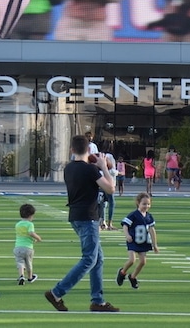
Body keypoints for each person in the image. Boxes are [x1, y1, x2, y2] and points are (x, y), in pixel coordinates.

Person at [44, 134, 118, 313]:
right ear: (89, 150)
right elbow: (111, 188)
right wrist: (106, 168)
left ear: (72, 150)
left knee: (98, 259)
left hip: (75, 216)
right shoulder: (91, 170)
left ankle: (97, 301)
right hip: (88, 217)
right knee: (89, 259)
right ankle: (57, 292)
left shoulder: (68, 169)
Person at [116, 192, 159, 290]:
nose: (146, 206)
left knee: (143, 262)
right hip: (132, 240)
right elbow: (125, 225)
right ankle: (122, 272)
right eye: (144, 204)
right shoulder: (133, 215)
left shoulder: (149, 216)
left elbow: (152, 230)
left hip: (143, 242)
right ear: (138, 203)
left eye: (148, 204)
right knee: (132, 260)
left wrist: (155, 244)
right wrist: (127, 235)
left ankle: (133, 277)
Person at [14, 203, 42, 285]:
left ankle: (21, 276)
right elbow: (30, 233)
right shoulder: (30, 224)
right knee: (28, 263)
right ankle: (30, 277)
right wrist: (38, 238)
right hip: (28, 247)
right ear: (30, 215)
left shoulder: (18, 224)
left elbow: (22, 234)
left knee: (20, 262)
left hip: (18, 247)